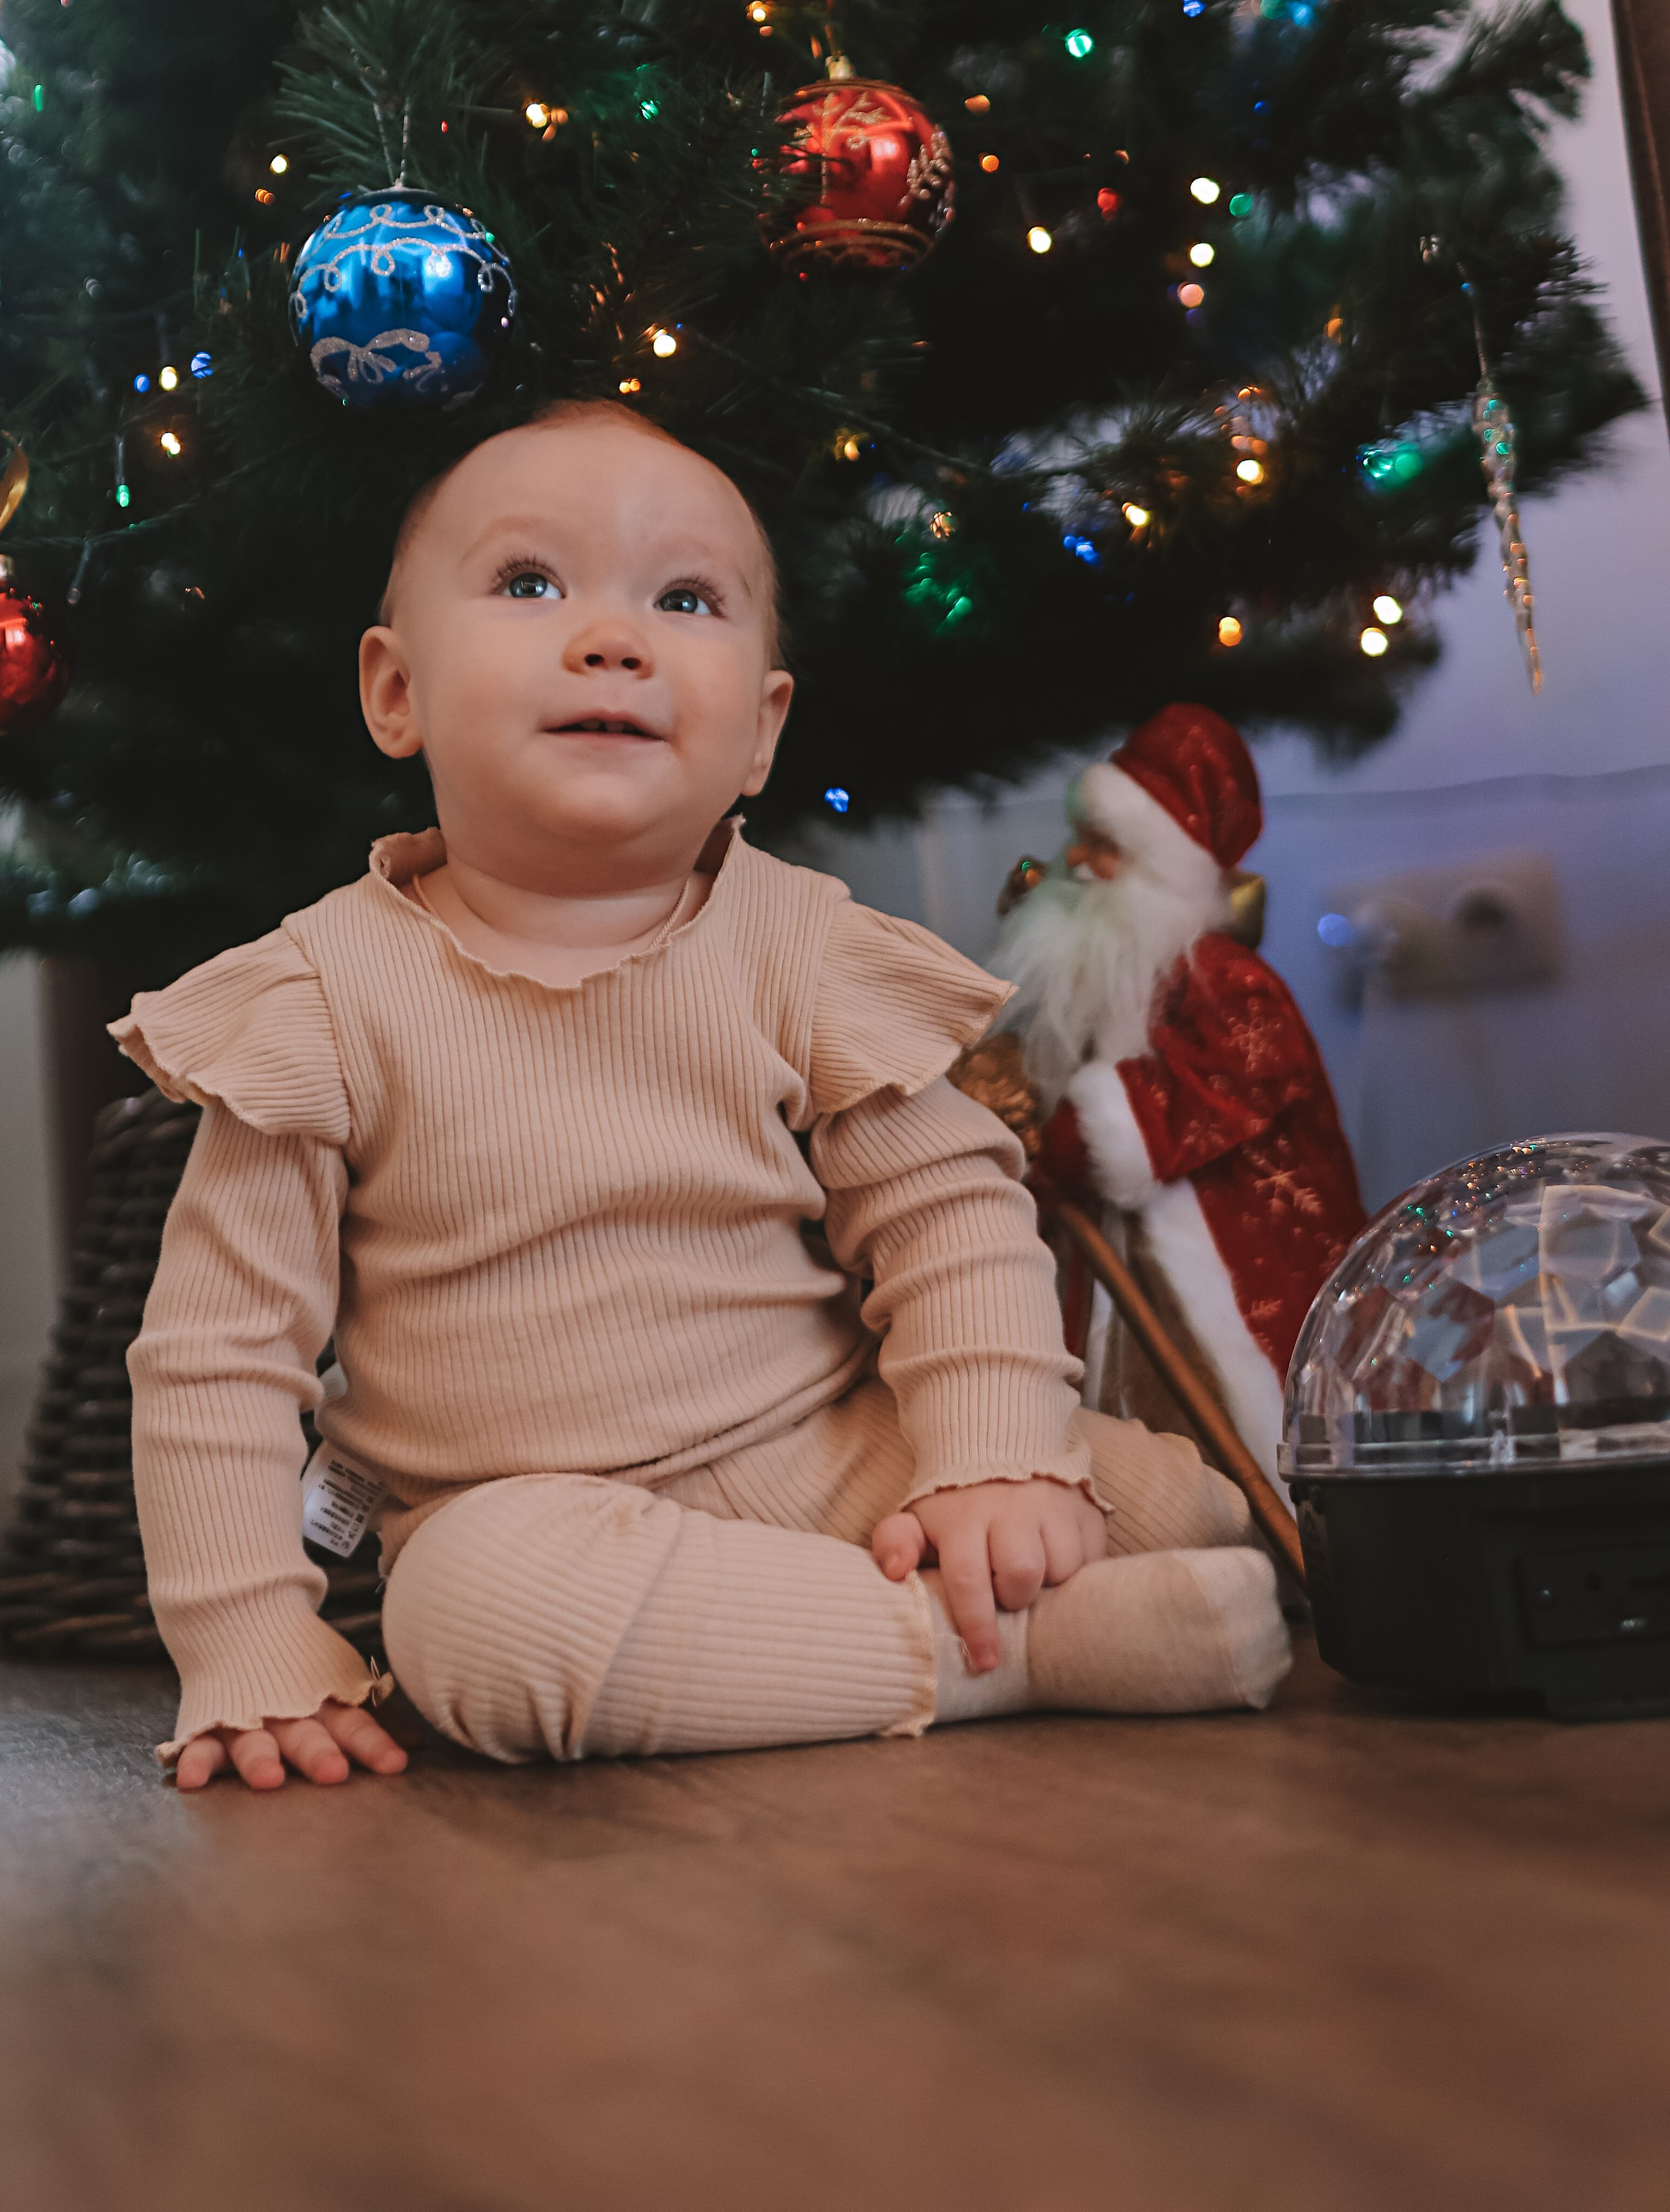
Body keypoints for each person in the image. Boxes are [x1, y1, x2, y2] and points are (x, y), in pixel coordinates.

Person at [117, 406, 1289, 1788]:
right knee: (472, 1629)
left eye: (685, 600)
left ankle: (938, 1598)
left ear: (762, 731)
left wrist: (990, 1455)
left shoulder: (801, 946)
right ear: (396, 693)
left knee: (1197, 1515)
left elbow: (950, 1217)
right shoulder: (317, 994)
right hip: (527, 1516)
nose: (615, 638)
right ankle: (1009, 1658)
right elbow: (217, 1356)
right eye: (528, 583)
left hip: (836, 1451)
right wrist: (250, 1640)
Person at [997, 705, 1366, 1490]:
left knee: (1222, 1421)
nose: (1078, 862)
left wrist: (1074, 1134)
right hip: (1111, 1253)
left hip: (1222, 1250)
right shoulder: (1118, 977)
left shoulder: (1223, 980)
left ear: (1161, 868)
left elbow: (1235, 1077)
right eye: (1082, 839)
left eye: (1106, 848)